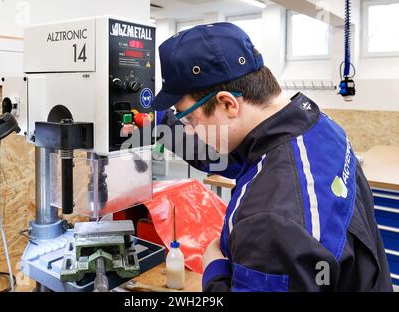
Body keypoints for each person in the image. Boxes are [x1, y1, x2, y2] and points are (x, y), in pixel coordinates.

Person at [152, 22, 393, 292]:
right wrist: (155, 121)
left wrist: (215, 272)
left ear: (228, 103)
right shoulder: (317, 126)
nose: (190, 130)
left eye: (189, 119)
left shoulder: (268, 219)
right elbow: (225, 156)